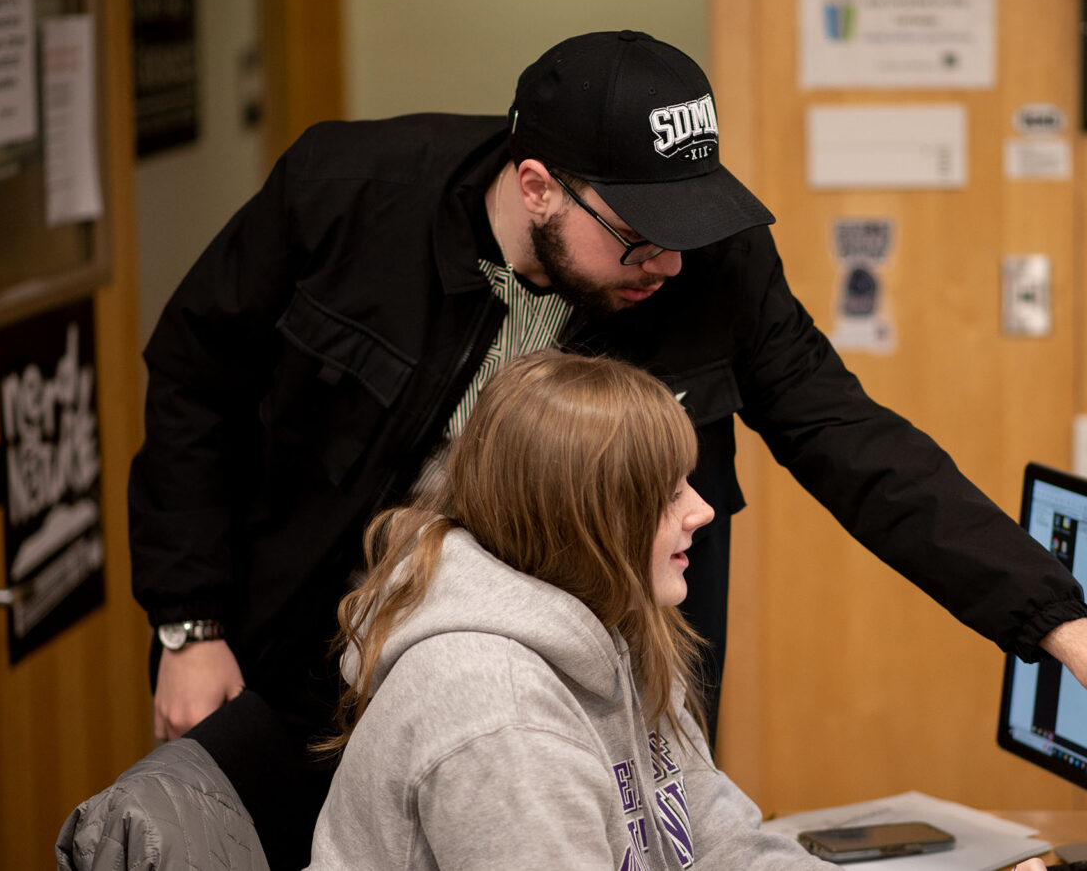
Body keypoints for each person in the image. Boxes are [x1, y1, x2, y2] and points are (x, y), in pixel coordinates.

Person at [129, 29, 1087, 867]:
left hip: (601, 671)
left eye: (690, 224)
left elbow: (851, 441)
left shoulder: (707, 259)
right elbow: (192, 379)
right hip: (315, 648)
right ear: (536, 188)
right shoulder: (345, 193)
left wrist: (1073, 637)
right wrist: (189, 623)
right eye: (640, 234)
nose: (671, 261)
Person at [307, 351, 863, 867]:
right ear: (585, 520)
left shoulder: (619, 626)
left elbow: (724, 842)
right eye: (669, 495)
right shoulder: (495, 707)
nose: (703, 511)